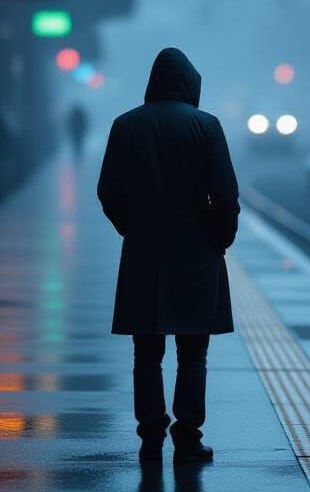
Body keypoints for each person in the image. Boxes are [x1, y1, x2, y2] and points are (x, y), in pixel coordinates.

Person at [97, 47, 240, 465]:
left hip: (144, 255)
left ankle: (150, 436)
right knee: (193, 352)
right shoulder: (207, 126)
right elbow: (226, 195)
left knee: (147, 352)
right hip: (197, 256)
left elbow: (108, 191)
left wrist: (131, 228)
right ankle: (189, 437)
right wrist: (219, 239)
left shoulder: (125, 126)